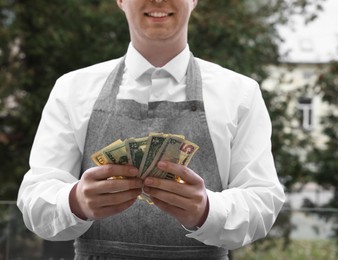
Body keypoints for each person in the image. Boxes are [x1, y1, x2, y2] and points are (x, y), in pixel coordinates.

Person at [17, 0, 285, 259]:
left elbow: (263, 200)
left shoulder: (240, 94)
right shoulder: (71, 89)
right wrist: (75, 201)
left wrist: (206, 210)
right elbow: (34, 198)